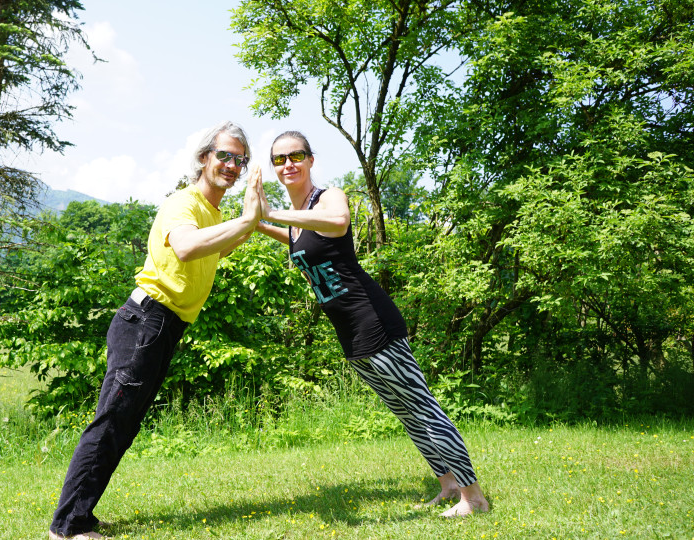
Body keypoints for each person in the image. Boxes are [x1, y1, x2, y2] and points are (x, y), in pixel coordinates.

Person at [254, 130, 490, 518]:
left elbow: (338, 223)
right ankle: (448, 485)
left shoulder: (327, 198)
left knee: (424, 408)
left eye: (295, 155)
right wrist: (263, 225)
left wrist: (272, 213)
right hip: (350, 332)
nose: (288, 164)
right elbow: (306, 245)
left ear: (311, 159)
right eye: (279, 159)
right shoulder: (297, 222)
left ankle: (474, 496)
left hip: (374, 320)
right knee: (406, 412)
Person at [49, 121, 263, 540]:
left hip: (165, 327)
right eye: (224, 155)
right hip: (145, 321)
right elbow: (185, 246)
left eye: (241, 159)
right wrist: (248, 219)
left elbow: (221, 243)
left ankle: (82, 515)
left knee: (123, 426)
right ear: (204, 158)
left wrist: (251, 219)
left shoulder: (214, 213)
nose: (232, 165)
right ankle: (67, 526)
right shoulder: (182, 203)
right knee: (111, 422)